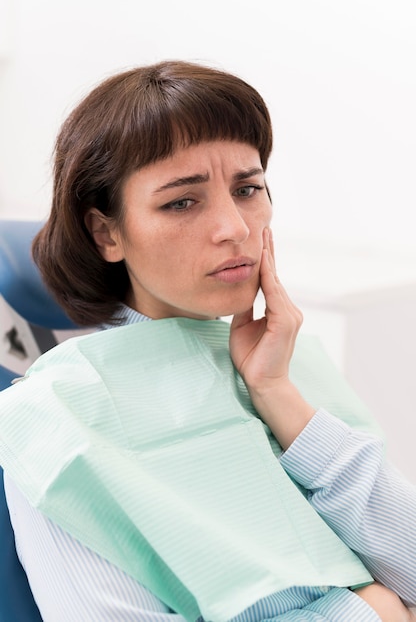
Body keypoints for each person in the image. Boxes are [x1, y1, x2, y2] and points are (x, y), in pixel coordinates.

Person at [0, 60, 415, 622]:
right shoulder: (55, 414)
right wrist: (364, 616)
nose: (235, 227)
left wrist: (276, 394)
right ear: (107, 232)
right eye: (182, 201)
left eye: (248, 189)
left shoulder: (290, 364)